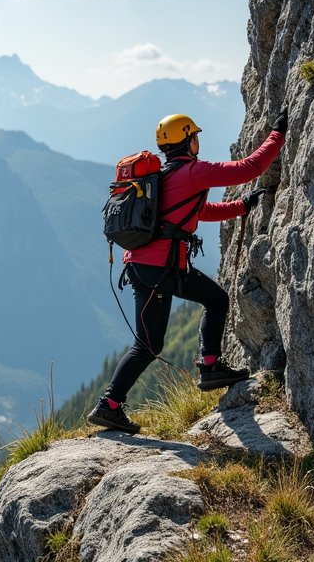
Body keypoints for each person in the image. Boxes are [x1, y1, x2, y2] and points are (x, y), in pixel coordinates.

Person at [88, 109, 288, 434]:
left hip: (140, 266)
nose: (198, 141)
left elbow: (196, 211)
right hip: (163, 267)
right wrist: (278, 133)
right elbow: (252, 167)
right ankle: (209, 368)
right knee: (216, 301)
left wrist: (240, 207)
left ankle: (109, 407)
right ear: (189, 140)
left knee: (149, 344)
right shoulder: (195, 172)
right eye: (195, 136)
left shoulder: (164, 177)